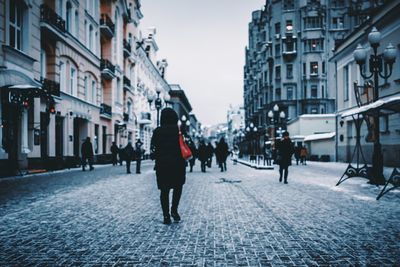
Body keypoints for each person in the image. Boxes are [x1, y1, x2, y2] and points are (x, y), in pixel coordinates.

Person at [151, 108, 186, 225]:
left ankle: (166, 216)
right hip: (178, 165)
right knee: (178, 188)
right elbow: (185, 146)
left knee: (164, 191)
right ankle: (174, 210)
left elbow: (153, 150)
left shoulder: (157, 131)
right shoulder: (179, 131)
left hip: (162, 165)